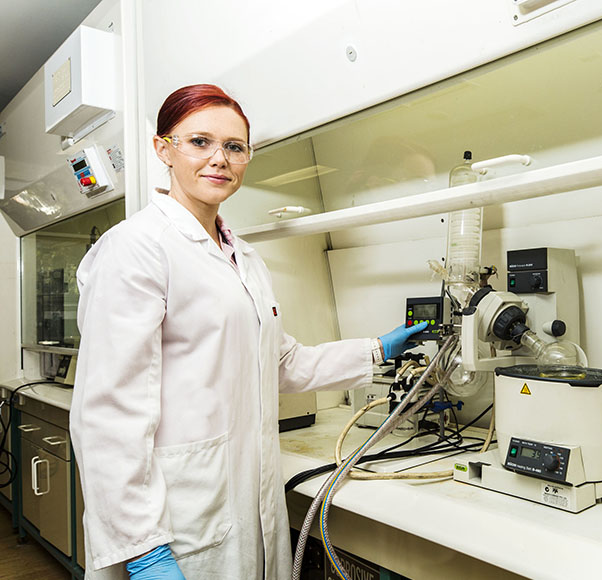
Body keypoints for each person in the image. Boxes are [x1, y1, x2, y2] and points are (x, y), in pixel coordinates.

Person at [70, 84, 427, 580]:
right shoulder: (136, 249)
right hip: (174, 522)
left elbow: (279, 362)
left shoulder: (246, 259)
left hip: (242, 502)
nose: (219, 159)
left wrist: (376, 351)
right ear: (163, 149)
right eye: (199, 142)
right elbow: (109, 414)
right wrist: (142, 548)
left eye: (235, 148)